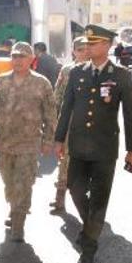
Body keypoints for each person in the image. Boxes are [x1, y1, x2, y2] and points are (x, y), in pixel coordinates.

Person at [54, 25, 132, 263]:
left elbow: (130, 115)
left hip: (104, 148)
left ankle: (89, 247)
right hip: (79, 145)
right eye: (87, 44)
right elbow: (66, 109)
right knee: (74, 189)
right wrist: (59, 139)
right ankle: (90, 225)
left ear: (107, 46)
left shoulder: (121, 75)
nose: (88, 48)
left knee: (100, 199)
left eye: (93, 44)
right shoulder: (77, 73)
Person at [0, 42, 56, 242]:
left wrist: (49, 139)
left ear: (31, 59)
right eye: (14, 56)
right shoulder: (1, 81)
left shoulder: (42, 83)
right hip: (5, 143)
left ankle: (18, 224)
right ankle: (14, 210)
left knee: (24, 183)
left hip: (29, 144)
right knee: (9, 182)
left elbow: (50, 114)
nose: (18, 60)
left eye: (22, 56)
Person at [49, 36, 90, 214]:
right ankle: (59, 200)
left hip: (89, 125)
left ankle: (87, 202)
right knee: (64, 160)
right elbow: (57, 97)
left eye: (87, 49)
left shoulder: (96, 69)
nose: (84, 53)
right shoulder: (66, 70)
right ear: (73, 51)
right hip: (69, 123)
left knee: (87, 162)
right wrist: (53, 123)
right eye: (80, 50)